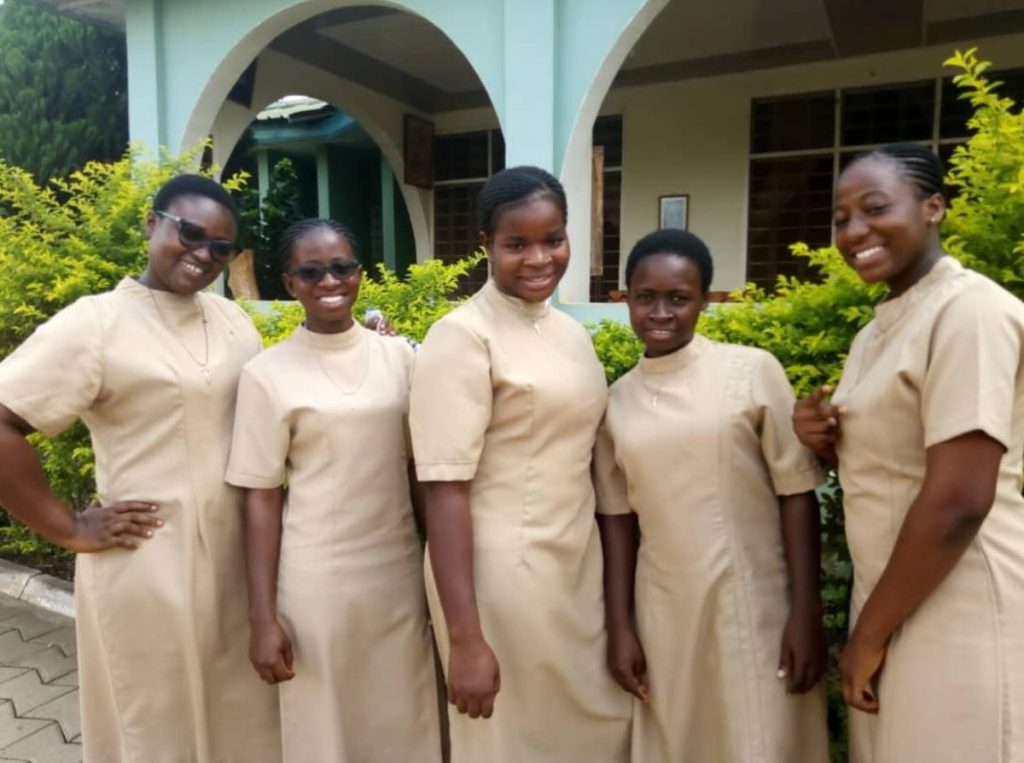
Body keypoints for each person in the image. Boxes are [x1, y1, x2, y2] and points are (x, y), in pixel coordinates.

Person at [0, 174, 280, 762]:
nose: (203, 254)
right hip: (148, 563)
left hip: (239, 562)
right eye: (191, 233)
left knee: (243, 722)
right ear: (153, 224)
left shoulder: (232, 321)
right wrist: (66, 528)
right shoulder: (96, 323)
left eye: (220, 248)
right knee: (158, 725)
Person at [793, 143, 1024, 763]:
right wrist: (821, 435)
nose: (854, 231)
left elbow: (959, 498)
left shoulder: (969, 311)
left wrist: (867, 636)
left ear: (933, 208)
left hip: (960, 602)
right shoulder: (878, 330)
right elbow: (892, 465)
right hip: (895, 597)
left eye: (874, 208)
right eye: (841, 218)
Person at [409, 166, 632, 763]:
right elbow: (445, 491)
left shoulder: (570, 334)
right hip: (501, 577)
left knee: (590, 731)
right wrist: (466, 638)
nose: (539, 258)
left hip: (575, 567)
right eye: (517, 244)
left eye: (553, 238)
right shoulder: (461, 337)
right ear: (486, 246)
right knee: (514, 740)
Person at [593, 228, 829, 762]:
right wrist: (620, 627)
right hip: (666, 612)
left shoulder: (751, 371)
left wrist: (806, 612)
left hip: (758, 603)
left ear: (704, 299)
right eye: (645, 297)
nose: (661, 312)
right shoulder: (615, 403)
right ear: (625, 298)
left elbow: (797, 493)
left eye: (679, 298)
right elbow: (617, 521)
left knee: (762, 738)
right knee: (684, 739)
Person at [225, 218, 441, 762]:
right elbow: (261, 497)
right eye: (312, 271)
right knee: (325, 728)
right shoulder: (266, 375)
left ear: (360, 274)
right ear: (290, 282)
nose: (330, 281)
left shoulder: (401, 357)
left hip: (397, 575)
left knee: (404, 719)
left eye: (342, 267)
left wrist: (442, 570)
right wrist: (261, 617)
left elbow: (421, 470)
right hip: (315, 584)